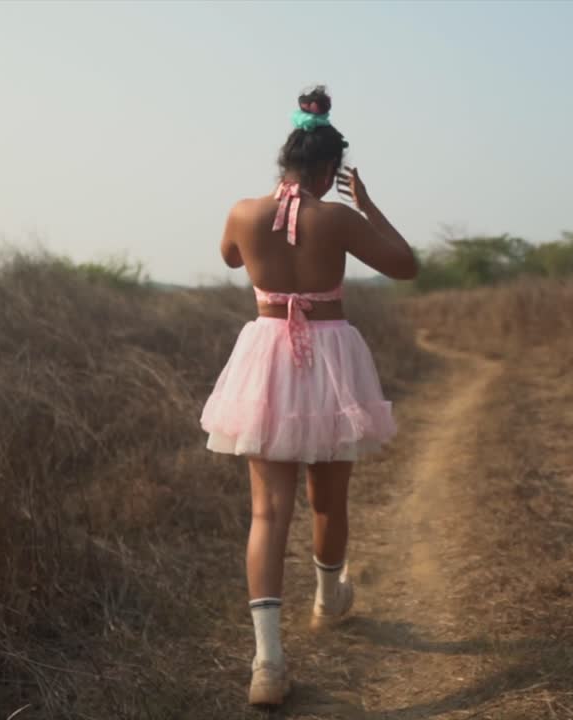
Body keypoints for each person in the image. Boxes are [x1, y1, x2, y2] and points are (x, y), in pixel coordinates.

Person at [199, 85, 418, 706]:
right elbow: (405, 265)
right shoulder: (340, 216)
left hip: (267, 357)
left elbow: (227, 259)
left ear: (284, 159)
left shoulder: (243, 210)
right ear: (329, 169)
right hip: (330, 363)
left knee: (268, 513)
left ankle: (267, 662)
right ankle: (328, 598)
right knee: (329, 500)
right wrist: (368, 207)